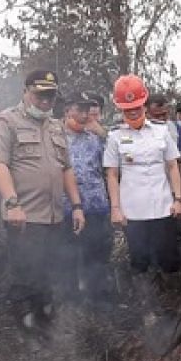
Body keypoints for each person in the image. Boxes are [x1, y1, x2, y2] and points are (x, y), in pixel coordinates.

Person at [0, 70, 87, 328]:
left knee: (48, 271)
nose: (45, 101)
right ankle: (24, 331)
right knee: (25, 273)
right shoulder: (5, 122)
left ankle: (46, 323)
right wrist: (12, 203)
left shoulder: (56, 127)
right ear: (26, 92)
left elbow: (66, 169)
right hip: (24, 216)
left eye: (51, 96)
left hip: (53, 216)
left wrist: (76, 206)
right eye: (40, 95)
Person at [105, 75, 181, 274]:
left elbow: (173, 166)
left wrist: (178, 199)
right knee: (139, 262)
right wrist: (115, 208)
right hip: (133, 210)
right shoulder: (115, 136)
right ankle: (143, 302)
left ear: (144, 105)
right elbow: (112, 174)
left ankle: (171, 300)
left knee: (168, 260)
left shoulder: (161, 131)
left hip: (163, 207)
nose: (132, 112)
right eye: (127, 109)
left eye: (137, 107)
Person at [61, 92, 113, 300]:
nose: (84, 114)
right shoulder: (55, 138)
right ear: (67, 110)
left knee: (97, 254)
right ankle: (70, 301)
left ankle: (97, 298)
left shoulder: (96, 139)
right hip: (66, 208)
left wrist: (103, 134)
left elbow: (117, 162)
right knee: (67, 255)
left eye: (87, 110)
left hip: (96, 206)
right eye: (79, 109)